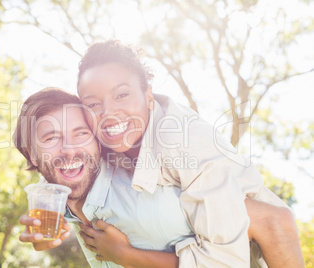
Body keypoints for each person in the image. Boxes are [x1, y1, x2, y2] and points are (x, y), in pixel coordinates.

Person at [75, 40, 304, 267]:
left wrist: (126, 255)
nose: (108, 113)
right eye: (93, 105)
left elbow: (225, 262)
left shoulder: (186, 142)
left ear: (149, 95)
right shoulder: (102, 139)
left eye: (121, 95)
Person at [15, 87, 195, 267]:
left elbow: (218, 260)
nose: (69, 150)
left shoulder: (148, 195)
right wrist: (41, 237)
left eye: (81, 133)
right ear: (32, 155)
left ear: (98, 144)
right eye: (51, 138)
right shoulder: (59, 201)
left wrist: (126, 255)